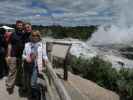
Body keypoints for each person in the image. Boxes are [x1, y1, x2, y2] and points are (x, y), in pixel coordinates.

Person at [22, 30, 48, 99]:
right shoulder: (27, 44)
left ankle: (38, 93)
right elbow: (23, 55)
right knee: (29, 82)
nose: (35, 37)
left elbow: (44, 55)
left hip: (36, 66)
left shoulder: (42, 45)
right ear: (31, 36)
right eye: (33, 35)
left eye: (37, 35)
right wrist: (26, 58)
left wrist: (46, 61)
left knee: (32, 83)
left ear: (39, 36)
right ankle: (33, 94)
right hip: (28, 66)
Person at [5, 20, 25, 94]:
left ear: (22, 26)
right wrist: (8, 55)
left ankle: (19, 82)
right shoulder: (13, 34)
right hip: (13, 55)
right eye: (18, 25)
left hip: (21, 56)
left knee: (20, 70)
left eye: (21, 25)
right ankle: (9, 85)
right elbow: (9, 45)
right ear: (16, 26)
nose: (20, 26)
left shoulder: (24, 34)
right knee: (12, 70)